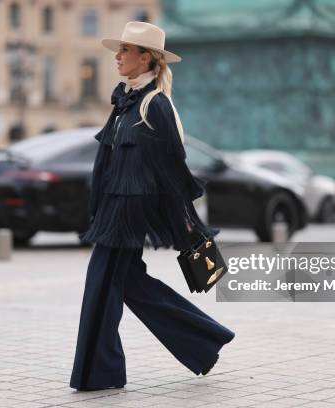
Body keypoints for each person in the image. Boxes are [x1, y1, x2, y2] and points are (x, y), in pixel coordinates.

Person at [69, 21, 235, 392]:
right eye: (120, 49)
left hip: (129, 214)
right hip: (113, 210)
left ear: (146, 58)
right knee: (129, 284)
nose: (118, 56)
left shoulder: (154, 106)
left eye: (125, 51)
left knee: (101, 285)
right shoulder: (125, 101)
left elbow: (173, 172)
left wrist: (188, 227)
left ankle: (100, 374)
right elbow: (108, 163)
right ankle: (206, 341)